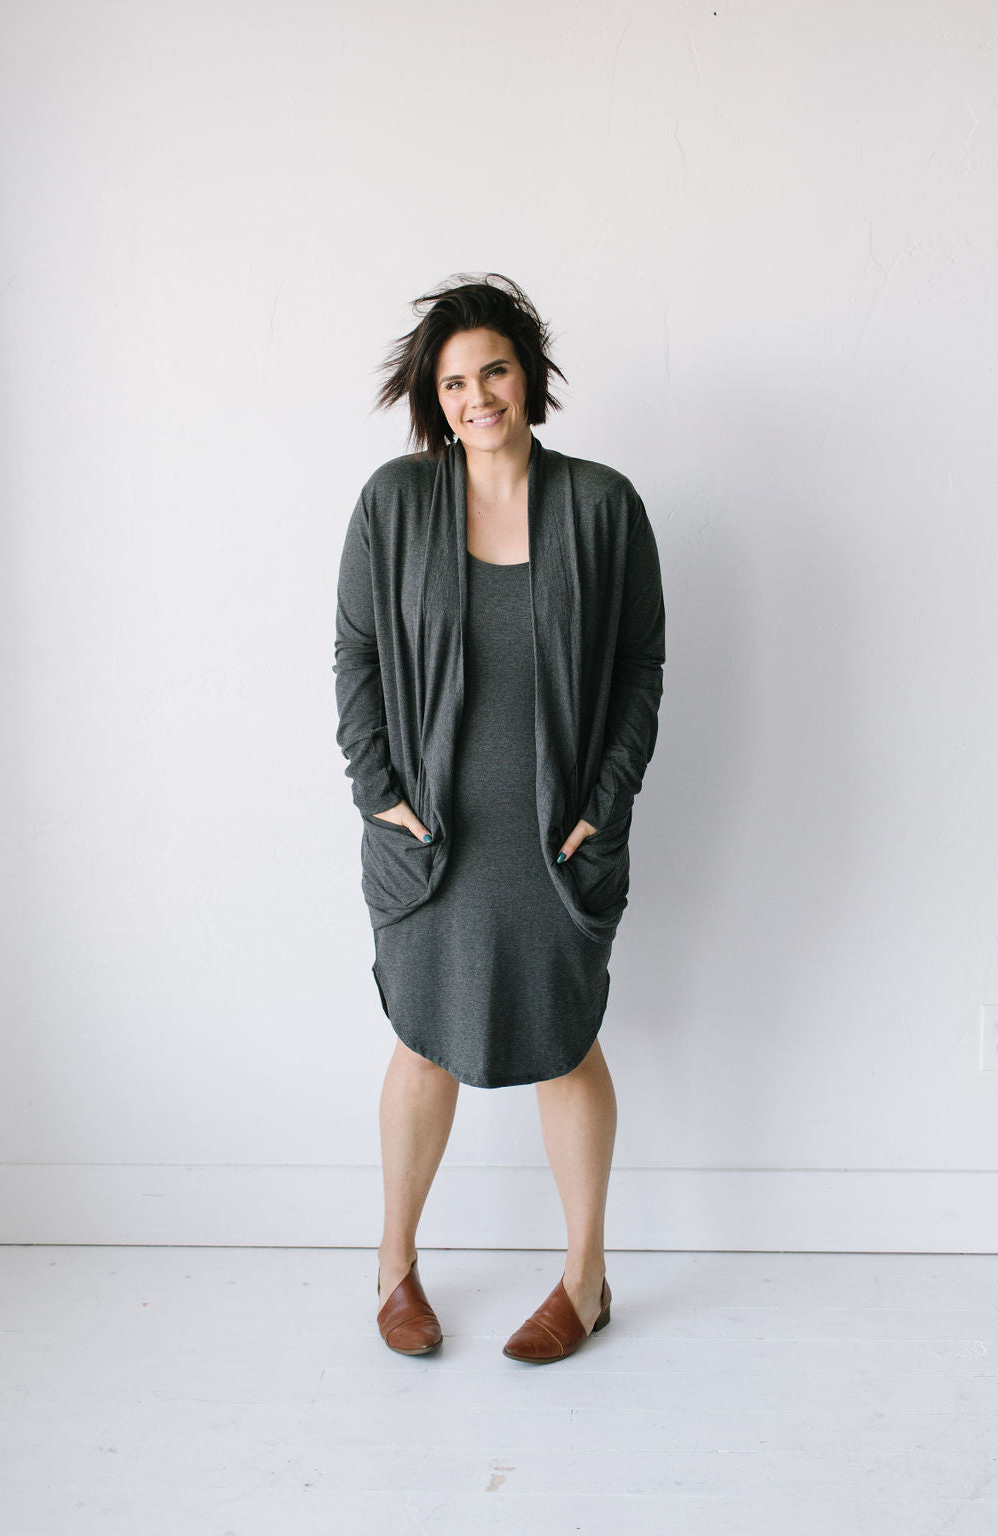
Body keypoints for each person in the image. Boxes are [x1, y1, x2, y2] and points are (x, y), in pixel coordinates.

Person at [333, 272, 666, 1364]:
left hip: (555, 841)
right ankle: (394, 1266)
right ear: (433, 399)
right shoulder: (393, 503)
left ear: (529, 376)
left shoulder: (603, 506)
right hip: (430, 841)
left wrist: (605, 803)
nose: (478, 397)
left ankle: (585, 1279)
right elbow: (356, 655)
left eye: (495, 372)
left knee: (565, 1043)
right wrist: (377, 787)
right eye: (455, 382)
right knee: (421, 1042)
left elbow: (639, 667)